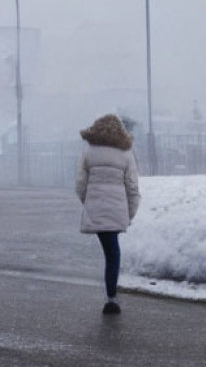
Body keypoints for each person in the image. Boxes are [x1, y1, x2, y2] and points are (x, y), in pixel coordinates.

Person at [75, 114, 141, 315]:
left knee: (111, 252)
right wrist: (129, 213)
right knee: (113, 255)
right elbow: (132, 187)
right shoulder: (126, 153)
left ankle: (111, 297)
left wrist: (90, 203)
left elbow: (80, 185)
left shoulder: (88, 151)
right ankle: (111, 299)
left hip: (97, 209)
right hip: (117, 210)